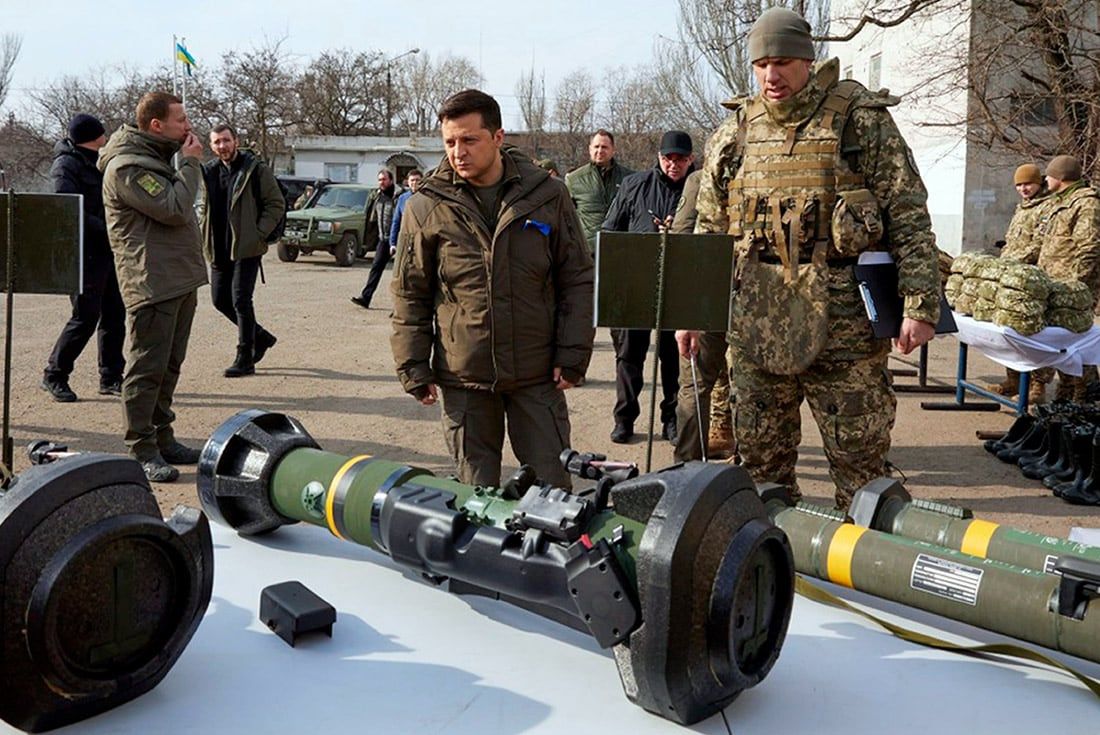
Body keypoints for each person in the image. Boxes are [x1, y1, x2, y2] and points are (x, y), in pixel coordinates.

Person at [688, 7, 941, 510]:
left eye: (782, 62)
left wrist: (920, 304)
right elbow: (708, 231)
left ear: (807, 60)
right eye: (761, 64)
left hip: (844, 329)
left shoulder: (860, 123)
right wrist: (691, 314)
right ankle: (770, 569)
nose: (770, 75)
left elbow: (908, 216)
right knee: (760, 472)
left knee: (862, 470)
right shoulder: (734, 133)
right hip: (758, 326)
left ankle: (867, 572)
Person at [390, 89, 594, 488]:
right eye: (450, 142)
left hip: (536, 376)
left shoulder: (546, 195)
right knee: (475, 499)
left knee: (551, 490)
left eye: (469, 140)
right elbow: (410, 293)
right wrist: (413, 365)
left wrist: (572, 353)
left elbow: (577, 278)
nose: (458, 152)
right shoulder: (426, 206)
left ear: (498, 138)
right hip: (464, 376)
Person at [99, 92, 208, 483]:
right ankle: (142, 448)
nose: (188, 125)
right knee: (147, 369)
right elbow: (176, 208)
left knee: (169, 367)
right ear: (156, 125)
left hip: (176, 278)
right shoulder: (127, 167)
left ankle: (163, 437)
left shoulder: (154, 158)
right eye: (181, 119)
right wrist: (192, 164)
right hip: (152, 283)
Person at [602, 130, 695, 444]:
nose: (674, 164)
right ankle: (624, 419)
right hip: (636, 284)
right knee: (629, 356)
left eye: (681, 159)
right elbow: (610, 232)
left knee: (673, 359)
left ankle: (670, 420)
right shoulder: (634, 186)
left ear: (691, 159)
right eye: (669, 158)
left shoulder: (699, 189)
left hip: (680, 287)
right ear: (659, 157)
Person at [40, 113, 126, 403]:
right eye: (102, 133)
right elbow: (68, 210)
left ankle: (111, 376)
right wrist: (108, 229)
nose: (106, 136)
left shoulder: (98, 161)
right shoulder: (66, 166)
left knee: (115, 314)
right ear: (93, 136)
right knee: (85, 318)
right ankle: (54, 374)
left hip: (108, 250)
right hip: (83, 254)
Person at [200, 123, 284, 378]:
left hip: (247, 247)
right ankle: (261, 336)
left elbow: (276, 203)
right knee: (219, 300)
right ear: (211, 146)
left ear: (235, 140)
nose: (222, 146)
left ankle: (245, 356)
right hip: (219, 247)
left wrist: (258, 233)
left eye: (226, 140)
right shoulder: (209, 172)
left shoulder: (255, 170)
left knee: (240, 300)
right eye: (217, 142)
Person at [668, 169, 734, 461]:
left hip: (708, 293)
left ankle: (687, 469)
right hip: (763, 294)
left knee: (696, 384)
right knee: (756, 385)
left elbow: (683, 237)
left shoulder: (703, 178)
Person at [1035, 155, 1100, 402]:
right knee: (1062, 341)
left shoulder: (1086, 204)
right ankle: (1065, 394)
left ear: (1060, 178)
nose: (1046, 180)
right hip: (1056, 284)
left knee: (1076, 340)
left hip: (1073, 289)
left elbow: (1089, 248)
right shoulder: (1060, 202)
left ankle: (1086, 395)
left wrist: (1076, 285)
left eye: (1049, 175)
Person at [989, 163, 1050, 402]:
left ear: (1039, 183)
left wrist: (1014, 260)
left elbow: (1039, 243)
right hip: (1014, 276)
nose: (1024, 189)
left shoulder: (1046, 208)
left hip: (1032, 278)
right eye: (1020, 185)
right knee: (1011, 329)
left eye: (1028, 184)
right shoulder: (1022, 208)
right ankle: (1013, 379)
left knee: (1032, 332)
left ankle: (1037, 386)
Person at [565, 129, 633, 252]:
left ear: (613, 150)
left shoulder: (629, 179)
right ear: (590, 149)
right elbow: (566, 216)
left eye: (605, 147)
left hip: (620, 248)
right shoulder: (574, 179)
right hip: (587, 251)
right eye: (596, 147)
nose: (600, 151)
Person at [351, 169, 402, 309]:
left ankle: (401, 306)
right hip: (383, 239)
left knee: (401, 273)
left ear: (391, 180)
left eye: (384, 179)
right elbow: (372, 218)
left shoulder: (399, 196)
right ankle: (365, 297)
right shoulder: (377, 196)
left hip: (399, 239)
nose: (382, 182)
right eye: (380, 180)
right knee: (375, 268)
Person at [389, 169, 422, 248]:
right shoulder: (402, 198)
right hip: (406, 238)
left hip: (422, 238)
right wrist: (393, 243)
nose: (414, 183)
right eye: (412, 180)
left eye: (417, 180)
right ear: (408, 182)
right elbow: (396, 220)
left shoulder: (428, 197)